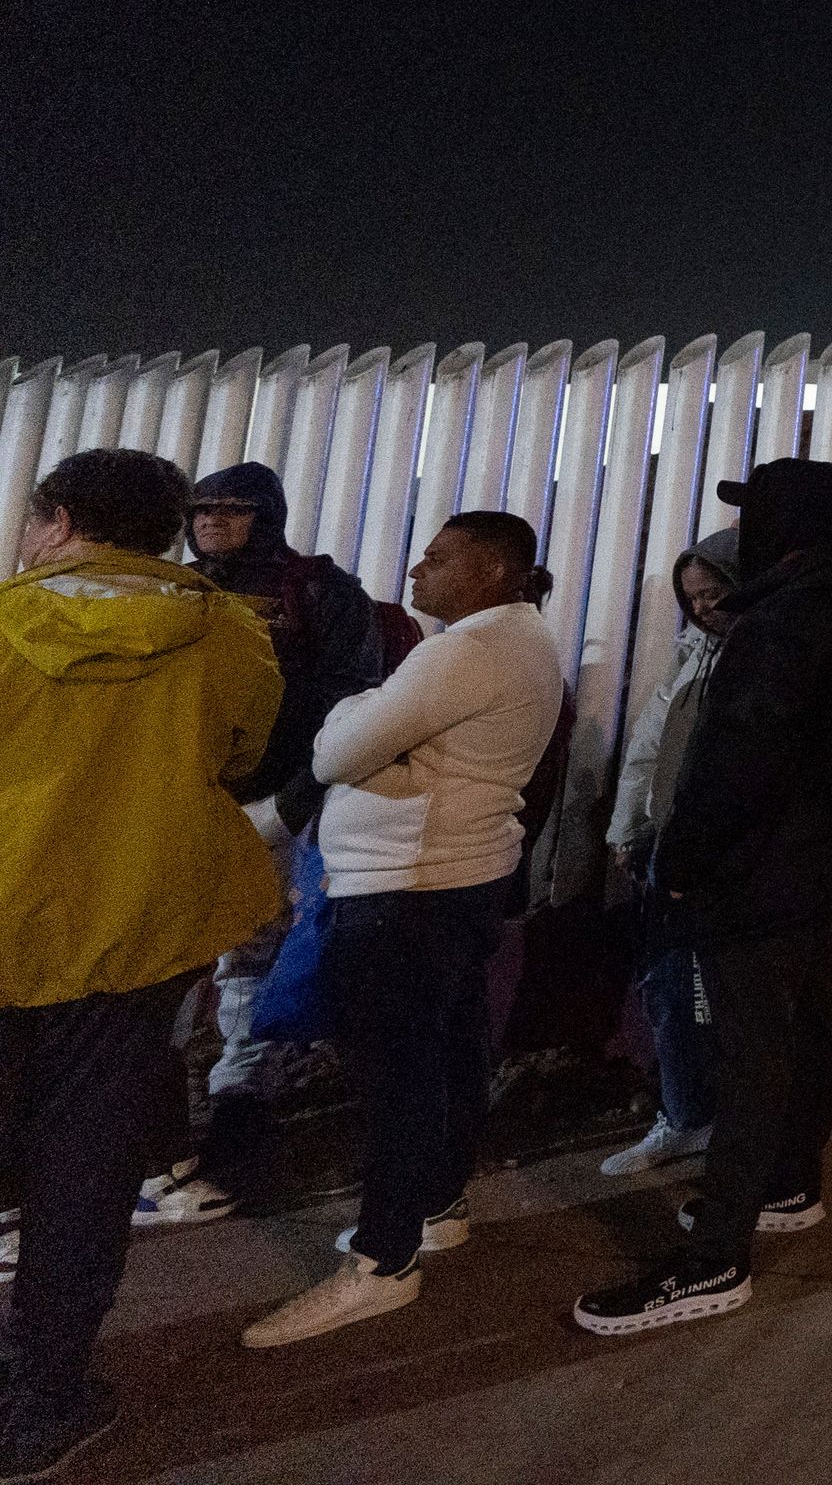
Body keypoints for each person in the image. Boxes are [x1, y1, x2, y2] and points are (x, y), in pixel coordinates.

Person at [0, 449, 285, 1479]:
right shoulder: (228, 634)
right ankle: (42, 1399)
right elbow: (245, 753)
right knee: (85, 1165)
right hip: (137, 932)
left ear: (60, 519)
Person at [241, 511, 567, 1349]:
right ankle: (436, 1203)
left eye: (437, 558)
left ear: (493, 569)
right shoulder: (522, 639)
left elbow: (333, 756)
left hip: (405, 890)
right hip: (456, 878)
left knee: (397, 1077)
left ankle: (382, 1263)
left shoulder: (466, 650)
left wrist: (355, 710)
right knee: (449, 1048)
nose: (416, 571)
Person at [572, 459, 832, 1339]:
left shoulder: (779, 624)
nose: (742, 531)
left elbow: (738, 761)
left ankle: (715, 1258)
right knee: (812, 1022)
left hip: (756, 871)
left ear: (784, 521)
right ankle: (789, 1184)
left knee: (752, 1056)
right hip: (818, 863)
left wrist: (681, 859)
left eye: (755, 513)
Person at [134, 461, 390, 1229]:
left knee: (249, 969)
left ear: (266, 514)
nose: (211, 521)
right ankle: (170, 1143)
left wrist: (296, 801)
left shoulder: (318, 592)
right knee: (170, 970)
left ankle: (237, 1134)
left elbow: (350, 698)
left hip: (273, 805)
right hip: (182, 803)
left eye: (231, 510)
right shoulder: (171, 589)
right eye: (201, 509)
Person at [599, 530, 740, 1177]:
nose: (704, 608)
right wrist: (630, 831)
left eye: (716, 593)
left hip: (715, 858)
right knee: (666, 987)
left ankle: (719, 1126)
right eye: (693, 598)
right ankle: (686, 1116)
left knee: (709, 995)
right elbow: (648, 749)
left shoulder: (755, 658)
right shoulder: (694, 653)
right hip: (666, 848)